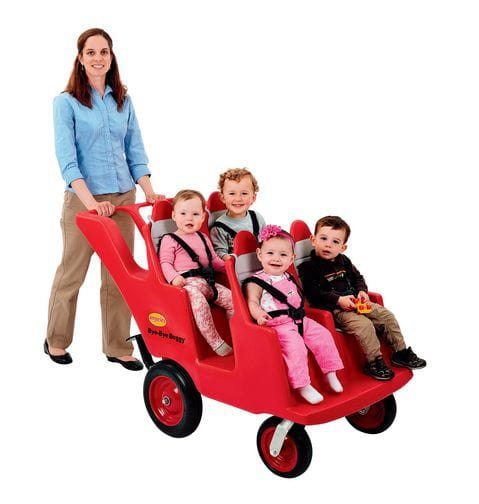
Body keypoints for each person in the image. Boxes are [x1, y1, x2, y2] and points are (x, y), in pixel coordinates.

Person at [45, 28, 163, 370]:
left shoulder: (123, 99)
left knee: (120, 276)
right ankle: (56, 340)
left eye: (104, 52)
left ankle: (116, 346)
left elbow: (135, 151)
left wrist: (148, 190)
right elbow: (68, 161)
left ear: (112, 57)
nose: (98, 58)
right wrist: (92, 204)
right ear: (80, 59)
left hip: (123, 198)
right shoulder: (65, 103)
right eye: (91, 52)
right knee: (72, 274)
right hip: (84, 201)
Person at [298, 215, 427, 381]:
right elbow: (313, 293)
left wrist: (362, 291)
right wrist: (338, 300)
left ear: (343, 247)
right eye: (323, 238)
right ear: (313, 240)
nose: (328, 244)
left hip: (358, 303)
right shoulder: (308, 268)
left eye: (335, 242)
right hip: (335, 310)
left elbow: (358, 277)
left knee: (386, 316)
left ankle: (400, 352)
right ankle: (374, 362)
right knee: (365, 325)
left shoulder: (344, 261)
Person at [244, 225, 344, 404]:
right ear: (260, 254)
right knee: (296, 348)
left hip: (300, 319)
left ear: (292, 259)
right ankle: (302, 385)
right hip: (279, 325)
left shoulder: (288, 277)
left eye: (283, 255)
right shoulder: (256, 281)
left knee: (324, 335)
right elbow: (252, 301)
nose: (276, 258)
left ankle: (331, 372)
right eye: (270, 253)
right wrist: (259, 315)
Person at [159, 190, 234, 356]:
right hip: (186, 285)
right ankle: (216, 343)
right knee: (199, 302)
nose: (189, 218)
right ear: (174, 216)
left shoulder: (203, 237)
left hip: (207, 282)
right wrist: (174, 277)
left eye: (195, 214)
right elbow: (165, 263)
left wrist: (229, 268)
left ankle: (235, 334)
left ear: (202, 217)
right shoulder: (169, 239)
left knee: (232, 299)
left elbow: (214, 260)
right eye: (183, 213)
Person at [209, 168, 266, 258]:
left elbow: (265, 242)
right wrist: (229, 258)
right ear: (223, 198)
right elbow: (219, 253)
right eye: (232, 193)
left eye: (244, 193)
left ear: (253, 198)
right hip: (238, 266)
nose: (238, 199)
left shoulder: (257, 218)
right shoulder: (219, 228)